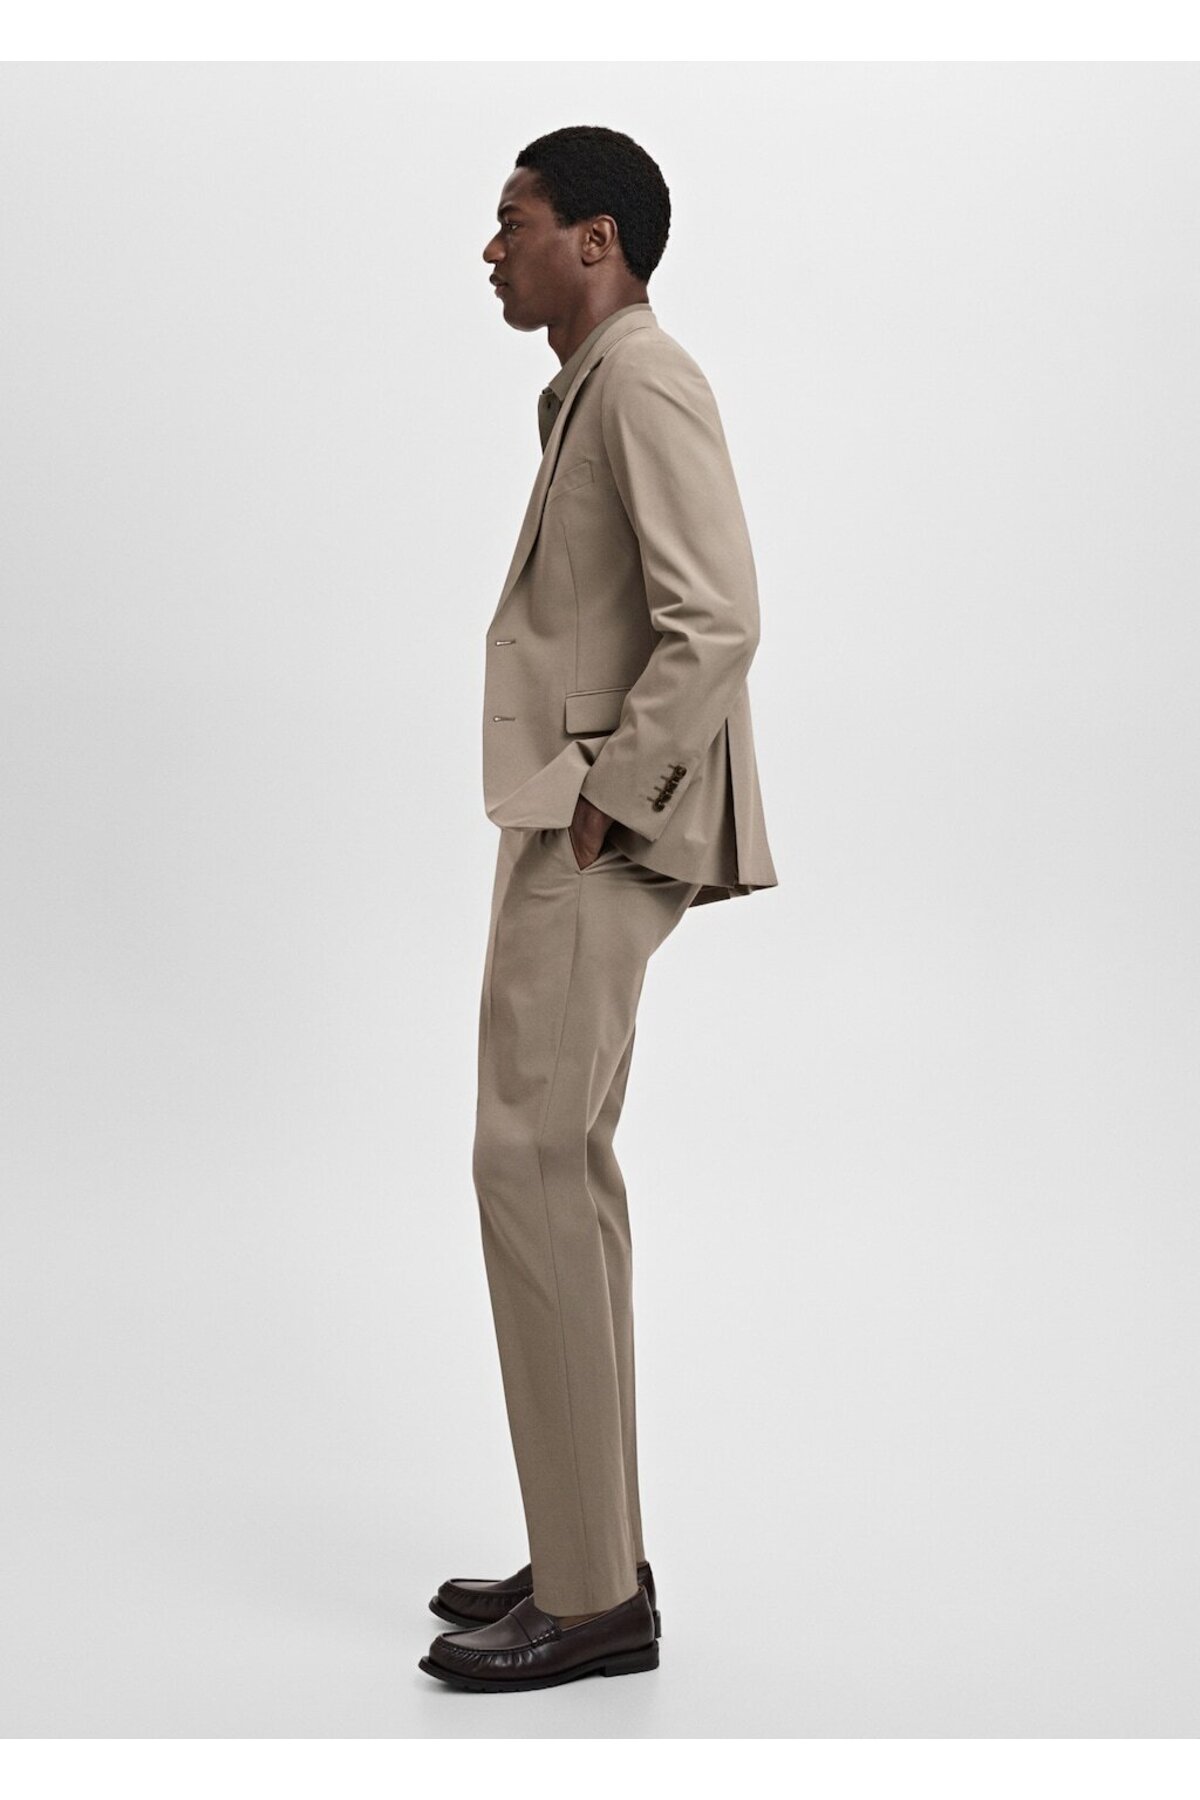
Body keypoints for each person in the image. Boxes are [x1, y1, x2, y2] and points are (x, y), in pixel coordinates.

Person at [419, 125, 778, 1693]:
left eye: (514, 220)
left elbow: (720, 617)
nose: (491, 249)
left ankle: (588, 1600)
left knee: (530, 1165)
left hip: (597, 824)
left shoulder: (644, 380)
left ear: (598, 238)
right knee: (561, 1170)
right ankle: (592, 1554)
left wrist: (609, 795)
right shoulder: (593, 386)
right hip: (571, 811)